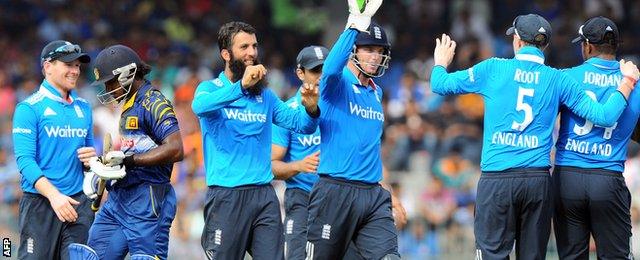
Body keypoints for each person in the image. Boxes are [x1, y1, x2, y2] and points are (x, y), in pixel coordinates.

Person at [431, 14, 639, 259]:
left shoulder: (493, 68)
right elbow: (603, 115)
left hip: (498, 178)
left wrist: (440, 62)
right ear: (546, 46)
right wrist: (626, 82)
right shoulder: (557, 78)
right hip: (537, 181)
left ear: (517, 41)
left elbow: (439, 84)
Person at [192, 21, 320, 260]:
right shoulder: (209, 88)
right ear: (226, 54)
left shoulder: (265, 96)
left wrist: (311, 109)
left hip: (264, 197)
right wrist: (241, 87)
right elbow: (199, 107)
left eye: (254, 46)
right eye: (244, 47)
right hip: (226, 197)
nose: (252, 52)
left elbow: (301, 124)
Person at [305, 0, 404, 259]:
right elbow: (330, 68)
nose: (375, 56)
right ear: (354, 51)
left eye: (380, 50)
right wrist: (353, 27)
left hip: (372, 194)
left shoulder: (376, 92)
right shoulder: (336, 85)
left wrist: (390, 194)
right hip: (335, 191)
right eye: (368, 49)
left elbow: (370, 151)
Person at [70, 44, 184, 260]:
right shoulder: (128, 105)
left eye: (110, 82)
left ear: (127, 73)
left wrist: (131, 161)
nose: (107, 90)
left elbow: (176, 149)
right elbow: (132, 152)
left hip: (148, 200)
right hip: (119, 199)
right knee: (91, 256)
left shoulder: (154, 102)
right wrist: (107, 167)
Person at [553, 16, 639, 259]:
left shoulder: (566, 77)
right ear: (616, 46)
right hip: (608, 179)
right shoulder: (635, 83)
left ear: (587, 46)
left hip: (567, 178)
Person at [12, 40, 95, 259]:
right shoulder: (29, 108)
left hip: (78, 203)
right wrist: (54, 196)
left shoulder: (84, 108)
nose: (75, 71)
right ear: (48, 66)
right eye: (69, 64)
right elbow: (25, 161)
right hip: (41, 204)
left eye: (78, 65)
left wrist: (93, 158)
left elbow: (90, 153)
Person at [271, 45, 327, 260]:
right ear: (300, 73)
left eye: (325, 69)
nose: (321, 76)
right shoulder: (287, 113)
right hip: (302, 198)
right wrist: (298, 166)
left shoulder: (343, 108)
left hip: (338, 197)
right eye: (315, 70)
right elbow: (271, 165)